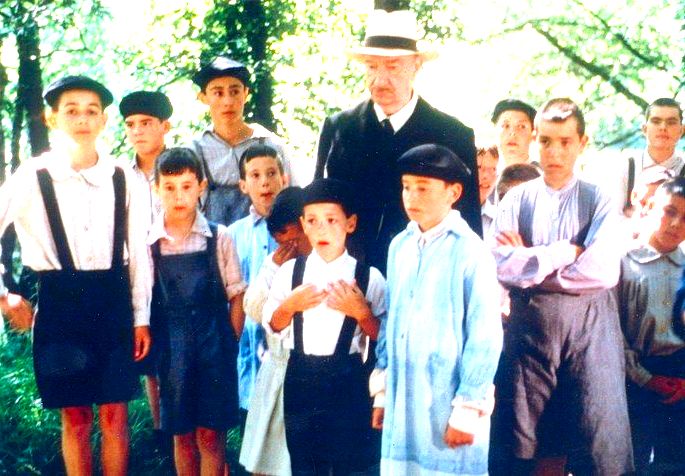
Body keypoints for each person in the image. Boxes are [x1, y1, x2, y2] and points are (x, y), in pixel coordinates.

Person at [0, 75, 151, 475]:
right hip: (60, 304)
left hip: (112, 300)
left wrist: (141, 317)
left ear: (103, 121)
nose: (82, 120)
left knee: (115, 416)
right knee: (76, 419)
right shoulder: (33, 175)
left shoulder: (124, 177)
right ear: (53, 119)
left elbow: (138, 255)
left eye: (91, 112)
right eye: (71, 111)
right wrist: (4, 295)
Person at [491, 98, 633, 474]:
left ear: (582, 143)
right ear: (536, 140)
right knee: (523, 441)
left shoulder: (599, 196)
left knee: (598, 437)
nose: (555, 152)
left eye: (566, 142)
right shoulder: (517, 198)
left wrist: (533, 266)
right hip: (530, 332)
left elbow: (602, 270)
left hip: (591, 330)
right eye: (547, 141)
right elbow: (501, 266)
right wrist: (563, 253)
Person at [315, 9, 481, 273]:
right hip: (346, 282)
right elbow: (319, 208)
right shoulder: (339, 128)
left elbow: (469, 229)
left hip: (424, 281)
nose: (381, 80)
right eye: (371, 66)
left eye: (393, 67)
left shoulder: (453, 135)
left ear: (416, 66)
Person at [370, 144, 502, 475]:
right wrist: (384, 393)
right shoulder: (400, 246)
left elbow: (485, 335)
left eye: (423, 188)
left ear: (453, 192)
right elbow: (390, 318)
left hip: (447, 400)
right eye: (406, 187)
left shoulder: (471, 252)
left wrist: (468, 408)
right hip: (404, 397)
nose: (412, 197)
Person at [263, 178, 386, 475]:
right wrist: (289, 306)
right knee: (305, 462)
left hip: (348, 378)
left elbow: (385, 338)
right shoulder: (292, 272)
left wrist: (362, 313)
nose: (322, 229)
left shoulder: (369, 277)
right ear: (303, 224)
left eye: (331, 220)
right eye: (313, 221)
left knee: (347, 461)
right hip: (301, 377)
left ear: (350, 223)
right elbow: (273, 325)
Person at [147, 147, 246, 476]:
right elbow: (142, 299)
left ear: (201, 186)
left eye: (187, 186)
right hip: (172, 348)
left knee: (211, 435)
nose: (179, 196)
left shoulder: (219, 236)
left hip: (213, 344)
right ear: (156, 187)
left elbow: (236, 294)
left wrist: (229, 341)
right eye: (170, 187)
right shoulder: (149, 242)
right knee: (182, 435)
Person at [239, 186, 311, 476]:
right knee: (266, 463)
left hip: (308, 373)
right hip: (277, 371)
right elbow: (254, 308)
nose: (290, 249)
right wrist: (271, 268)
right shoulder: (278, 266)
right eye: (283, 243)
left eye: (295, 240)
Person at [619, 178, 685, 474]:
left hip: (681, 381)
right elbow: (612, 333)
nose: (676, 224)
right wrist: (645, 378)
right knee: (634, 460)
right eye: (669, 211)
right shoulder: (624, 264)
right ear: (649, 207)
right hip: (634, 379)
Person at [119, 89, 173, 450]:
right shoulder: (120, 174)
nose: (138, 131)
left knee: (176, 347)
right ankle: (159, 428)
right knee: (149, 351)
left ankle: (185, 422)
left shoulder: (182, 165)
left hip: (177, 266)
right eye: (131, 125)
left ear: (164, 126)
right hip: (139, 270)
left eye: (146, 123)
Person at [226, 143, 287, 437]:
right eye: (255, 175)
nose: (264, 181)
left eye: (271, 173)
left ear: (284, 179)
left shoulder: (298, 229)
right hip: (248, 347)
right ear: (243, 184)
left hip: (284, 343)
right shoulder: (233, 234)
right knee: (253, 434)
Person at [188, 55, 292, 226]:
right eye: (218, 93)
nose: (228, 101)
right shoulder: (193, 151)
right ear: (203, 97)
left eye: (235, 91)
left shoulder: (271, 145)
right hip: (213, 247)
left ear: (246, 94)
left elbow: (293, 202)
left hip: (266, 245)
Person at [491, 99, 537, 168]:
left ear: (533, 133)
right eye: (506, 126)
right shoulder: (483, 174)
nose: (512, 133)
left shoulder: (545, 175)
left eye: (521, 126)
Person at [477, 144, 499, 237]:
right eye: (479, 167)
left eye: (493, 169)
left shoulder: (500, 217)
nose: (486, 175)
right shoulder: (447, 213)